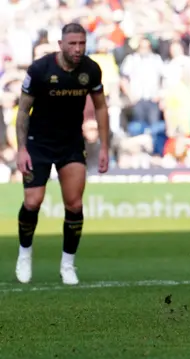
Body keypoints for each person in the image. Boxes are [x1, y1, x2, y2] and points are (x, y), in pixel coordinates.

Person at [15, 23, 110, 285]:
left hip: (70, 143)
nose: (78, 49)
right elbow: (23, 110)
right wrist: (21, 148)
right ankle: (25, 254)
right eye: (72, 44)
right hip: (38, 143)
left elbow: (101, 108)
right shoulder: (40, 70)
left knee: (75, 204)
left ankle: (67, 264)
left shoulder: (91, 70)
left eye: (82, 43)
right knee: (33, 202)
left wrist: (104, 146)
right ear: (61, 44)